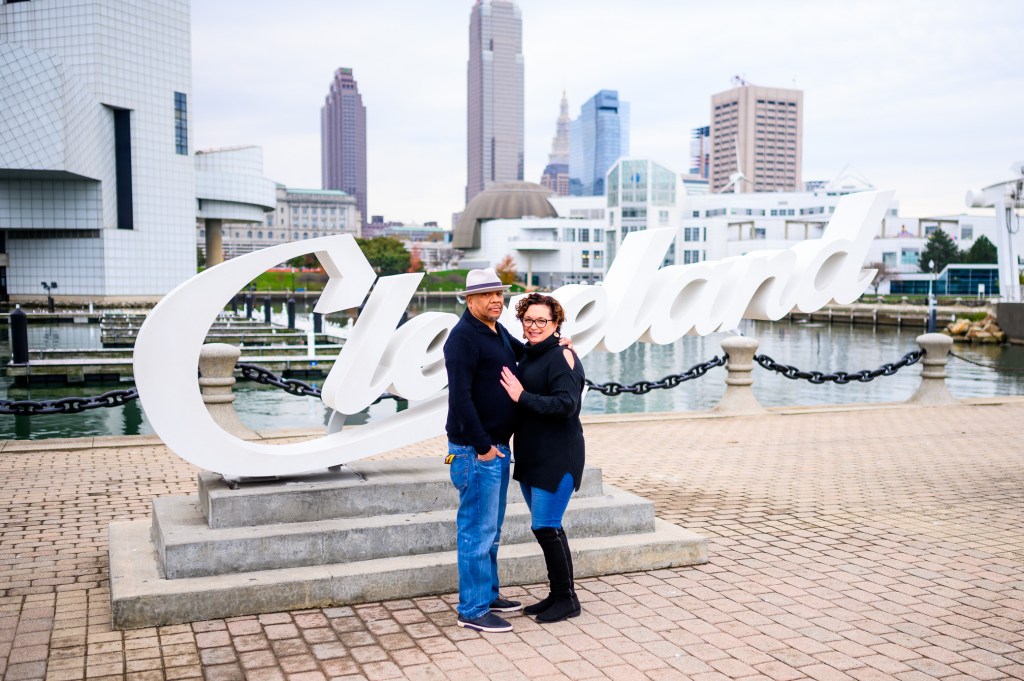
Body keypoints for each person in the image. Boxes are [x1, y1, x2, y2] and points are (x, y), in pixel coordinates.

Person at [443, 268, 526, 633]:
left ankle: (488, 594)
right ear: (470, 299)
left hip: (497, 447)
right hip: (476, 451)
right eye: (488, 294)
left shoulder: (495, 329)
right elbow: (460, 398)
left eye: (499, 294)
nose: (496, 300)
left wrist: (558, 344)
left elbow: (524, 352)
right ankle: (473, 610)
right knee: (477, 532)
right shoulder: (462, 339)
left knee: (491, 531)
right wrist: (482, 448)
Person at [499, 292, 586, 623]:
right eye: (528, 319)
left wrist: (522, 397)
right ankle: (560, 594)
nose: (534, 326)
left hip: (557, 456)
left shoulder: (563, 357)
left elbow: (567, 405)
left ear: (556, 324)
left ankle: (567, 600)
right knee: (548, 528)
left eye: (542, 321)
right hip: (532, 456)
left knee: (546, 527)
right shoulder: (533, 354)